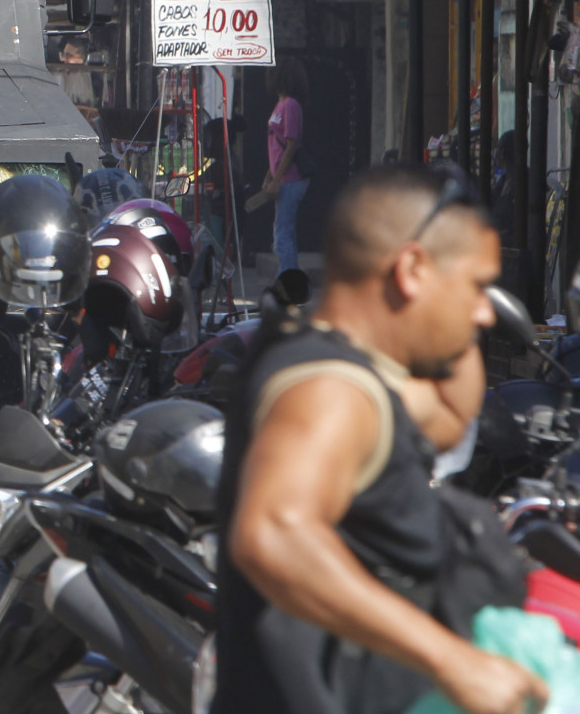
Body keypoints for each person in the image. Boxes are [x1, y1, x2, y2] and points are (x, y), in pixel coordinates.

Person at [215, 165, 545, 714]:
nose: (486, 310)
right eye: (477, 286)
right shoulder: (329, 389)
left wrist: (448, 312)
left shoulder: (357, 374)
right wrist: (451, 660)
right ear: (412, 268)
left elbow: (446, 416)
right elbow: (273, 533)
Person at [255, 58, 309, 272]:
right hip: (281, 176)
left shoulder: (291, 106)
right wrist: (270, 175)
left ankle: (286, 281)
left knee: (282, 235)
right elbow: (277, 147)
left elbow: (291, 145)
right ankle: (290, 279)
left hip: (291, 178)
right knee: (284, 233)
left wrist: (277, 180)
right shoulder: (280, 105)